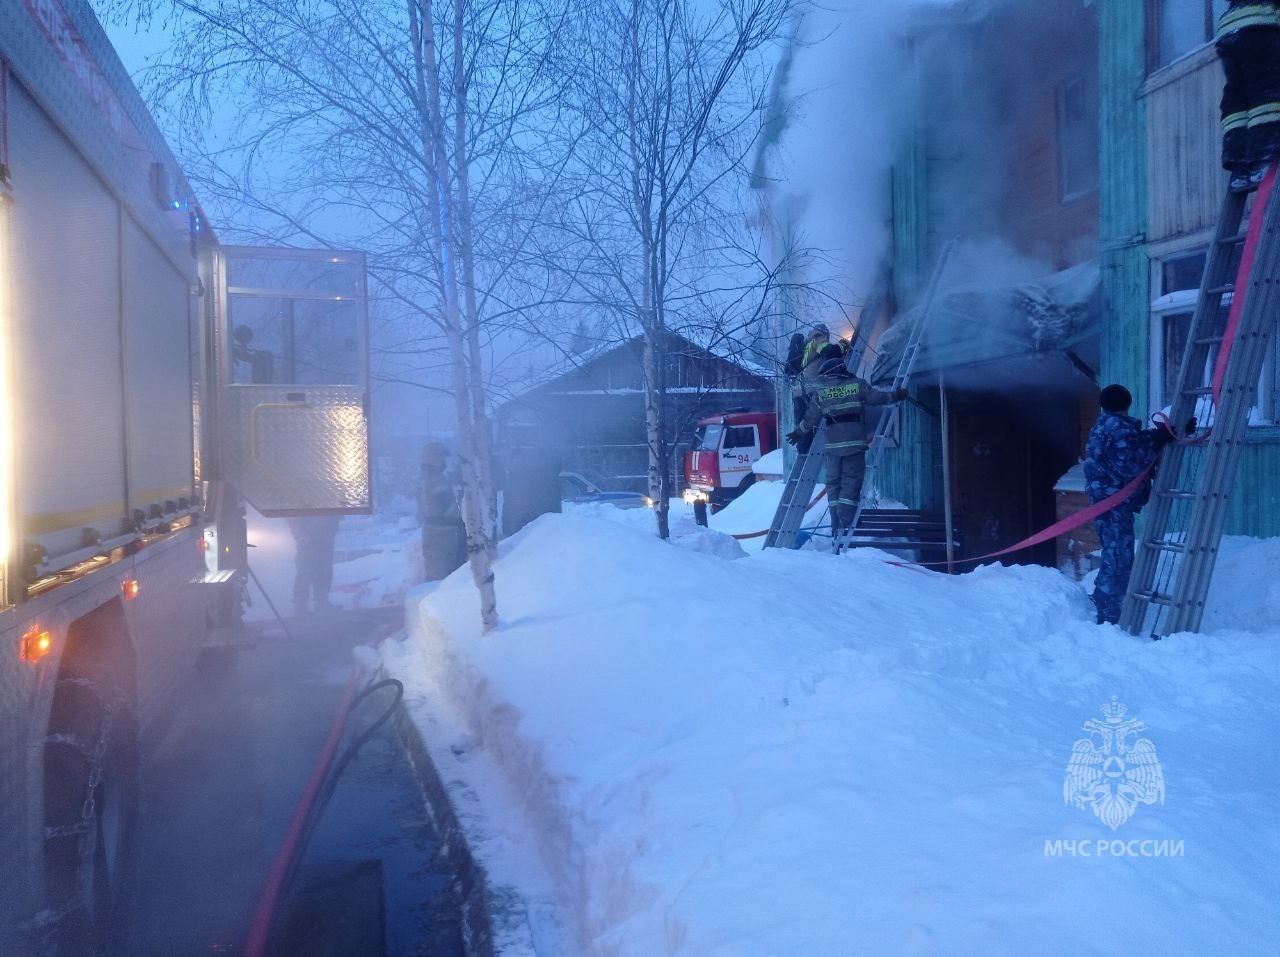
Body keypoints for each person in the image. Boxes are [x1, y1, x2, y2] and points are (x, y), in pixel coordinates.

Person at [1083, 385, 1192, 626]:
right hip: (1114, 504)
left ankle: (1103, 601)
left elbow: (1130, 445)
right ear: (1128, 404)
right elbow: (1130, 464)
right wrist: (1159, 442)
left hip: (1104, 501)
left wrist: (1160, 436)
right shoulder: (1118, 428)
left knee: (1113, 552)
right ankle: (1109, 614)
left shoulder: (1103, 425)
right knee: (1119, 557)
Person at [786, 344, 908, 538]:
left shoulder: (822, 392)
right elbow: (877, 398)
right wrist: (897, 395)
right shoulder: (857, 384)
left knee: (833, 483)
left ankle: (836, 522)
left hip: (833, 446)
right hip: (853, 444)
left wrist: (798, 433)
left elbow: (811, 418)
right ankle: (847, 520)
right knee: (851, 482)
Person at [1216, 1, 1280, 192]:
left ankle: (1239, 166)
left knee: (1237, 98)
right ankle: (1264, 156)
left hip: (1227, 30)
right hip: (1259, 22)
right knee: (1267, 90)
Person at [418, 443, 467, 580]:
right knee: (442, 578)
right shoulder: (438, 480)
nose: (445, 462)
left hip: (432, 532)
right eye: (442, 458)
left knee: (436, 572)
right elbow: (449, 509)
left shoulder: (424, 478)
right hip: (442, 535)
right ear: (434, 458)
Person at [288, 515, 342, 615]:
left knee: (324, 571)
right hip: (308, 538)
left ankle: (321, 603)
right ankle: (301, 607)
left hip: (324, 536)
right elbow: (293, 518)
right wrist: (302, 536)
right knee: (305, 572)